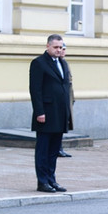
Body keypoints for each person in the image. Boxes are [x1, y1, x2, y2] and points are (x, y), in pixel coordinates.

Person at [30, 34, 72, 193]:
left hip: (60, 113)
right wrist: (39, 112)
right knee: (43, 149)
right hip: (46, 113)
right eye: (55, 47)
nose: (58, 50)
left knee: (54, 150)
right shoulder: (39, 63)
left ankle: (51, 179)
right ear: (47, 46)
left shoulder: (63, 63)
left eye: (61, 47)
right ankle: (42, 181)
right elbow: (35, 90)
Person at [57, 42, 74, 158]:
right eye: (61, 49)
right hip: (58, 101)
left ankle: (59, 147)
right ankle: (58, 148)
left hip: (67, 99)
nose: (63, 51)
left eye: (64, 49)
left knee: (63, 124)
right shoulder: (56, 64)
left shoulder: (64, 63)